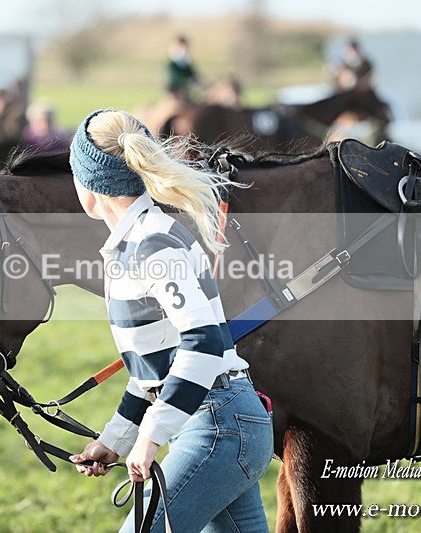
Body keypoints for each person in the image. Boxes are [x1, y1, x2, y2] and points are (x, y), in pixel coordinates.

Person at [68, 109, 273, 532]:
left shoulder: (153, 245)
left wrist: (149, 436)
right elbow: (156, 368)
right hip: (223, 423)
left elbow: (203, 341)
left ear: (89, 185)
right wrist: (114, 440)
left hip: (219, 425)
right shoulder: (135, 243)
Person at [166, 35, 198, 102]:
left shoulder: (186, 63)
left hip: (187, 92)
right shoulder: (172, 64)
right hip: (175, 92)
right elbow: (173, 79)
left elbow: (193, 75)